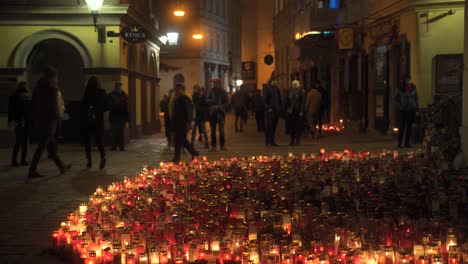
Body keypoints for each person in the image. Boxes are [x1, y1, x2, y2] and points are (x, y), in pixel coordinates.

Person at [28, 66, 71, 179]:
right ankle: (32, 170)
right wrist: (58, 118)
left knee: (51, 146)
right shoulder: (51, 88)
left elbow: (34, 104)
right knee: (43, 145)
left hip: (41, 119)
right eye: (56, 76)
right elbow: (53, 105)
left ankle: (61, 166)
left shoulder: (38, 87)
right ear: (53, 76)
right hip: (50, 120)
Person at [81, 76, 110, 169]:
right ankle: (103, 157)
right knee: (99, 141)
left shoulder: (87, 92)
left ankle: (89, 162)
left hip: (87, 120)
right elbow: (107, 106)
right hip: (98, 119)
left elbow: (83, 105)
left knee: (87, 142)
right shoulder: (102, 92)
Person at [171, 83, 199, 163]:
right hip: (178, 123)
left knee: (180, 140)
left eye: (177, 89)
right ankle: (192, 152)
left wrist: (189, 123)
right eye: (175, 89)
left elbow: (188, 111)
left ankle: (178, 158)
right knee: (180, 140)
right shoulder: (177, 98)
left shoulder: (184, 98)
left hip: (182, 123)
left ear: (181, 90)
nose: (175, 91)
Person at [8, 81, 32, 166]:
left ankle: (17, 160)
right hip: (23, 121)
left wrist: (11, 121)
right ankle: (21, 160)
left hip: (20, 121)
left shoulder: (15, 95)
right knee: (22, 142)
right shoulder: (27, 96)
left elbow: (11, 110)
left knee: (20, 142)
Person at [395, 75, 419, 148]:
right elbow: (396, 98)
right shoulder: (400, 87)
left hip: (411, 109)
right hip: (403, 109)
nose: (408, 81)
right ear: (404, 80)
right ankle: (399, 143)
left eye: (409, 79)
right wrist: (400, 105)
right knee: (401, 127)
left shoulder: (413, 87)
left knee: (409, 127)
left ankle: (406, 143)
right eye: (406, 79)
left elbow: (416, 97)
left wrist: (416, 106)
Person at [207, 79, 229, 151]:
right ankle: (213, 146)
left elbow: (227, 103)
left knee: (221, 130)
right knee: (213, 131)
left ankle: (222, 145)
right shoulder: (211, 92)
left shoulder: (223, 92)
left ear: (219, 84)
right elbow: (207, 101)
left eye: (216, 83)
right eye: (214, 83)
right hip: (212, 113)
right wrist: (212, 105)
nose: (215, 84)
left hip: (220, 113)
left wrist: (220, 107)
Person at [109, 82, 129, 151]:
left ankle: (121, 146)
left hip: (122, 116)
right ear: (116, 87)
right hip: (115, 115)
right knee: (115, 131)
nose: (119, 88)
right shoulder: (112, 95)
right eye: (118, 87)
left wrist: (127, 117)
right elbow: (110, 105)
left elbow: (127, 107)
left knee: (120, 132)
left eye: (120, 87)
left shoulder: (124, 95)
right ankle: (114, 146)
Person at [285, 80, 306, 146]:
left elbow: (302, 102)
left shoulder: (301, 92)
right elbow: (288, 101)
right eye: (293, 84)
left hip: (298, 111)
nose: (294, 85)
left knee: (298, 127)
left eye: (295, 84)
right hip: (291, 111)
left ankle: (297, 141)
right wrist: (287, 109)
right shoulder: (290, 92)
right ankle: (292, 141)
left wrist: (301, 111)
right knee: (292, 127)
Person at [264, 79, 282, 146]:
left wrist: (280, 108)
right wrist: (268, 108)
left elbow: (279, 100)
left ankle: (272, 141)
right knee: (269, 127)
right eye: (274, 81)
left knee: (274, 127)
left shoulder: (277, 89)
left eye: (276, 81)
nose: (276, 82)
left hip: (276, 111)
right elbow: (264, 100)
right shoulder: (268, 89)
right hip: (270, 111)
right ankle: (267, 141)